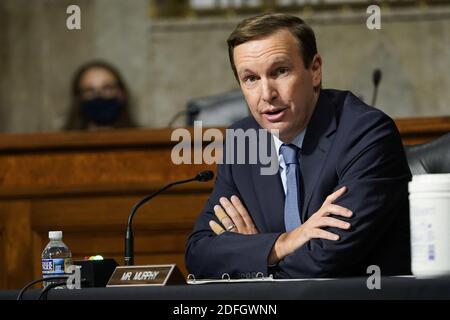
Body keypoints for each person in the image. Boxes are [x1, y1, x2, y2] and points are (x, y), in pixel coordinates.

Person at [185, 13, 411, 279]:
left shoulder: (366, 133)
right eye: (251, 79)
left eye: (280, 71)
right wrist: (284, 242)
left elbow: (327, 260)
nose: (267, 94)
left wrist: (253, 255)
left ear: (314, 70)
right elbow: (199, 253)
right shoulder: (242, 141)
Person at [64, 60, 136, 130]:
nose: (99, 95)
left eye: (107, 88)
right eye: (89, 90)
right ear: (79, 97)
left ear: (121, 94)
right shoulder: (62, 141)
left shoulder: (142, 138)